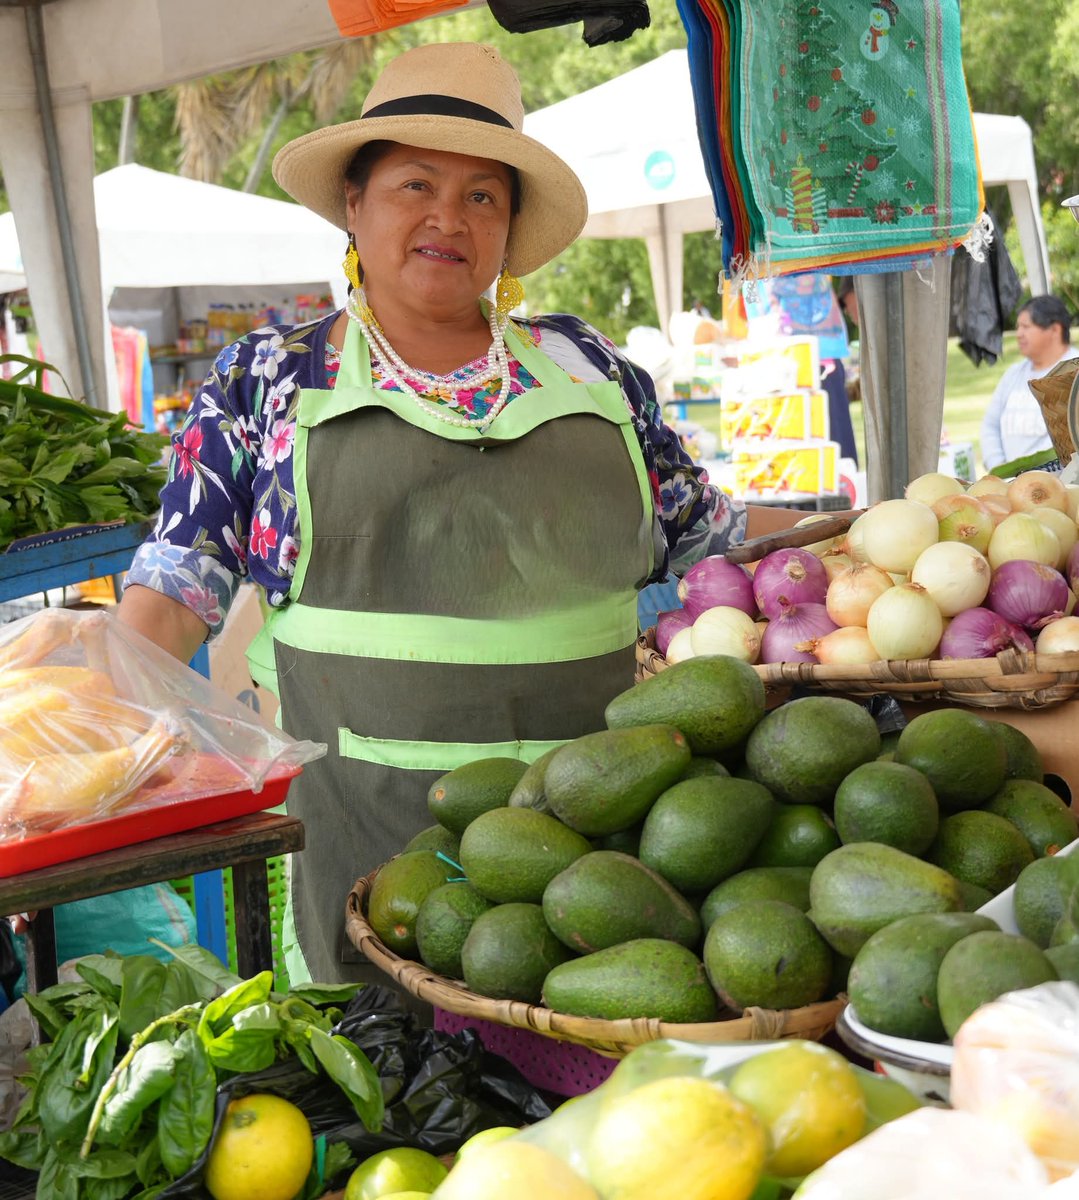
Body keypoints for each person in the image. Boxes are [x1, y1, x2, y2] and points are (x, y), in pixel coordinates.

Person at [116, 42, 802, 986]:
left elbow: (718, 547)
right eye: (414, 185)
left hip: (597, 866)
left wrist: (870, 536)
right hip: (374, 864)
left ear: (510, 230)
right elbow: (171, 589)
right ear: (354, 205)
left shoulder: (591, 371)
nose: (448, 217)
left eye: (484, 195)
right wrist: (81, 731)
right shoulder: (267, 380)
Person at [980, 295, 1078, 471]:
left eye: (1026, 327)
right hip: (1012, 482)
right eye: (1018, 327)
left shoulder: (1074, 372)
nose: (1019, 334)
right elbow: (990, 425)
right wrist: (999, 467)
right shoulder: (1013, 374)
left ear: (1055, 330)